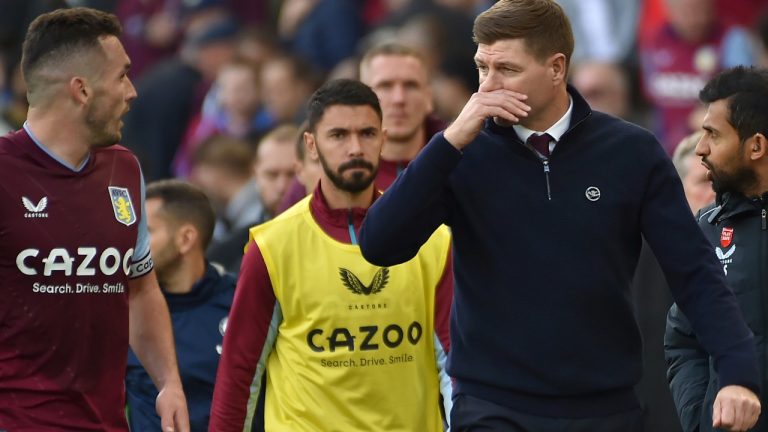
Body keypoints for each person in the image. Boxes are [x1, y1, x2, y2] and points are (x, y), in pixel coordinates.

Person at [358, 1, 761, 431]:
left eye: (507, 70)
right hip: (492, 405)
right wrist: (449, 140)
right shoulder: (460, 154)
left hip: (604, 408)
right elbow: (380, 244)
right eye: (482, 68)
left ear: (556, 68)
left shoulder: (632, 152)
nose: (487, 87)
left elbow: (695, 273)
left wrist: (737, 375)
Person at [209, 79, 453, 431]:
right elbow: (239, 374)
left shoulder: (433, 239)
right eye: (338, 135)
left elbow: (455, 367)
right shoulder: (273, 245)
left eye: (367, 134)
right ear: (311, 144)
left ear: (383, 138)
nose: (355, 147)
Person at [0, 7, 189, 431]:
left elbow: (140, 289)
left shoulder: (125, 169)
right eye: (122, 75)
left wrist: (169, 383)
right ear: (81, 89)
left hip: (105, 421)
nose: (133, 91)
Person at [666, 66, 768, 432]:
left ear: (756, 146)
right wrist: (700, 416)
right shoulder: (708, 226)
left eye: (712, 134)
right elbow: (683, 338)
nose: (702, 148)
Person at [126, 179, 236, 431]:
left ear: (185, 239)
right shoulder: (125, 311)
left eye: (146, 232)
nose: (133, 244)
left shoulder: (240, 304)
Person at [359, 42, 446, 190]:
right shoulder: (337, 170)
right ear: (360, 99)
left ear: (428, 98)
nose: (399, 99)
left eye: (411, 85)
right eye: (385, 86)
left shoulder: (462, 161)